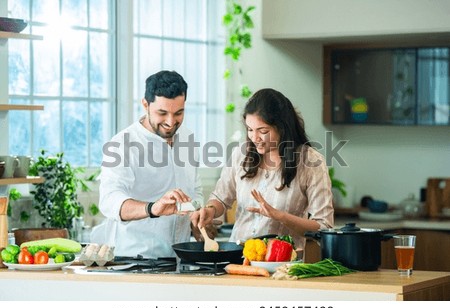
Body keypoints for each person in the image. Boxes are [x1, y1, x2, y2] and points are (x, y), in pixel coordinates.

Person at [190, 88, 334, 256]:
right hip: (238, 258)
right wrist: (210, 210)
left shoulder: (310, 162)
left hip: (283, 264)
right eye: (250, 129)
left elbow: (324, 227)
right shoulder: (241, 154)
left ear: (282, 127)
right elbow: (221, 198)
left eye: (263, 131)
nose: (254, 137)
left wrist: (279, 216)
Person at [91, 70, 204, 258]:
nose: (170, 122)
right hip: (135, 259)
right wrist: (152, 208)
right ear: (145, 104)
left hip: (179, 259)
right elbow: (109, 201)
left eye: (178, 113)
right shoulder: (122, 144)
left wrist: (197, 215)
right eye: (162, 113)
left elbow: (196, 189)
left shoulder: (187, 138)